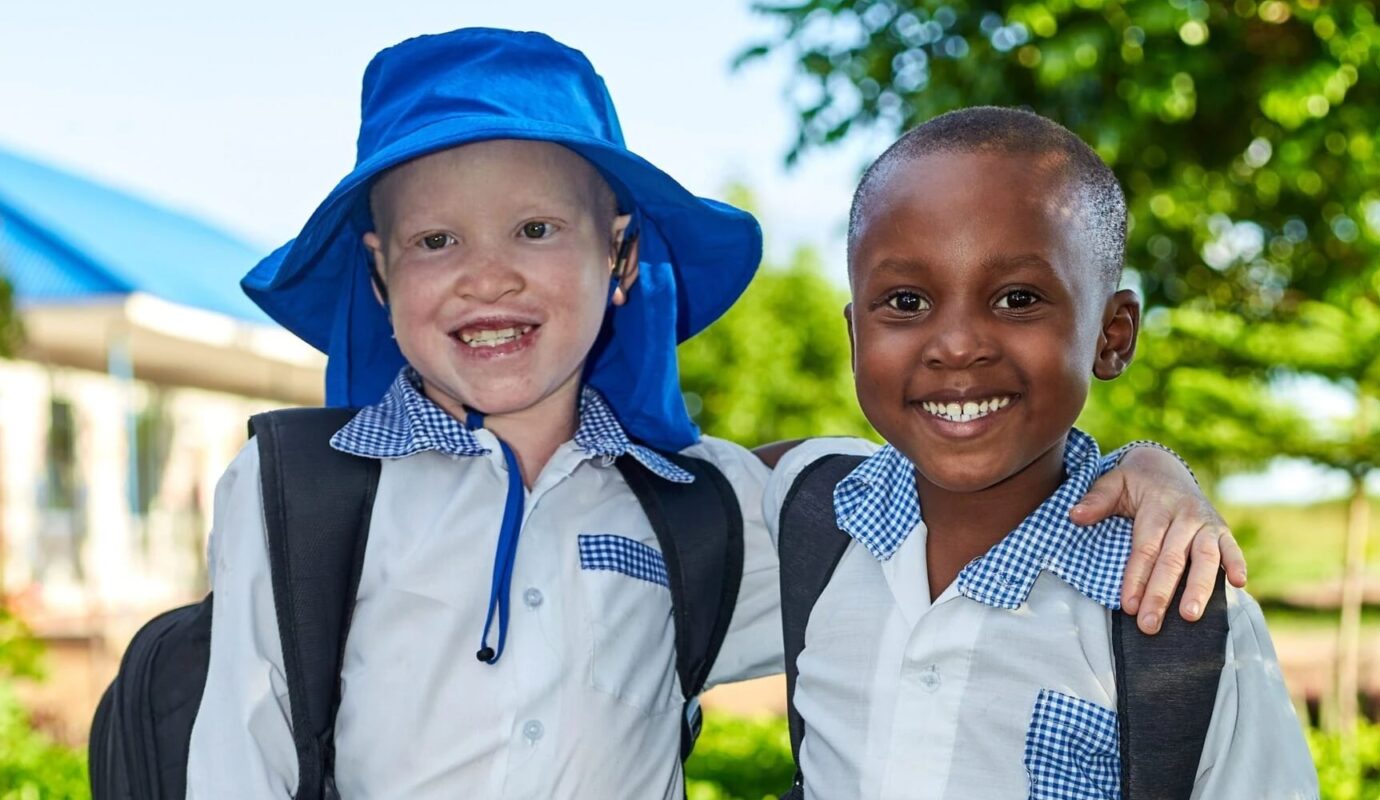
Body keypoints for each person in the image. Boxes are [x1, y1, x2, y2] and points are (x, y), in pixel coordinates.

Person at [188, 31, 1241, 798]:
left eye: (537, 227)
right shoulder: (299, 491)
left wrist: (1147, 465)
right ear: (377, 275)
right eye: (435, 242)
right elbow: (238, 757)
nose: (487, 277)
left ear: (622, 258)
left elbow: (933, 474)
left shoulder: (702, 508)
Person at [763, 106, 1316, 799]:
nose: (958, 344)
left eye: (1017, 298)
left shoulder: (1181, 621)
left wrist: (1149, 457)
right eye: (905, 300)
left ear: (1112, 336)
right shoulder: (810, 521)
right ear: (854, 338)